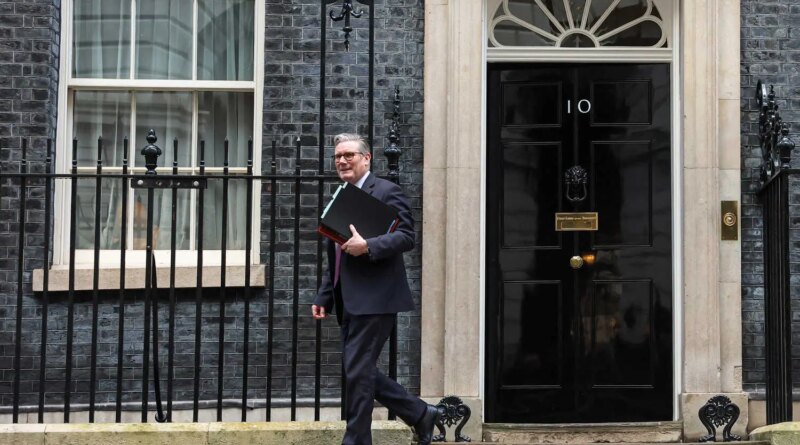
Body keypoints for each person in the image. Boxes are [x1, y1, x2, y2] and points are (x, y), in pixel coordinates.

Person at [312, 133, 440, 445]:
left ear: (366, 158)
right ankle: (421, 414)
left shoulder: (386, 191)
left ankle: (356, 441)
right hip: (349, 299)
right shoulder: (342, 193)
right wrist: (325, 294)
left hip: (377, 297)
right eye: (338, 156)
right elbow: (337, 254)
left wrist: (368, 245)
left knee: (357, 371)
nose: (342, 161)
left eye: (349, 155)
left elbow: (407, 236)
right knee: (359, 370)